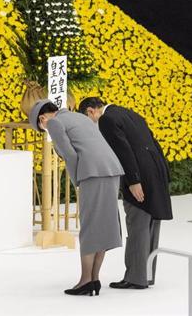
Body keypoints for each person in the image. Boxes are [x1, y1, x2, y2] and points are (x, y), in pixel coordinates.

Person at [29, 100, 124, 296]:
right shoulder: (80, 117)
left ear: (42, 118)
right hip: (111, 169)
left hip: (92, 172)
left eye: (41, 128)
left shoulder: (54, 123)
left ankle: (85, 280)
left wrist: (77, 180)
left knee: (90, 225)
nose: (45, 129)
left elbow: (70, 155)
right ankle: (94, 279)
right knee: (104, 225)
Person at [79, 96, 172, 289]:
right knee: (151, 224)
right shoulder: (129, 113)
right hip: (156, 171)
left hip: (140, 175)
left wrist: (134, 181)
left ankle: (136, 279)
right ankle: (147, 275)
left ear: (90, 111)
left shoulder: (106, 119)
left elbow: (123, 151)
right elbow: (154, 143)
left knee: (138, 224)